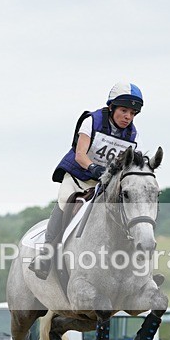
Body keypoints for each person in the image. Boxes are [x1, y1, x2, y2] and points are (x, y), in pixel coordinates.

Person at [29, 82, 144, 280]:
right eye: (124, 111)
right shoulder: (92, 121)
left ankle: (138, 266)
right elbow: (80, 155)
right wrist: (93, 168)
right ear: (111, 107)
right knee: (65, 202)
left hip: (105, 185)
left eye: (133, 113)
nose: (128, 117)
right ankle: (46, 254)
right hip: (79, 177)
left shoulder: (133, 135)